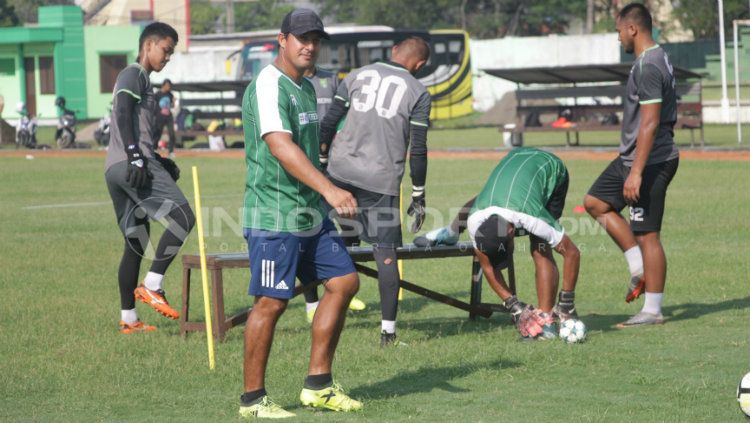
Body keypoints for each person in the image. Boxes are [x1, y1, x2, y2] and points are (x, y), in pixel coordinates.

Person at [239, 9, 362, 419]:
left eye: (316, 40)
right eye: (302, 38)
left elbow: (309, 152)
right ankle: (253, 401)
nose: (310, 46)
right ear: (283, 39)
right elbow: (280, 146)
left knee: (344, 282)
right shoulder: (268, 84)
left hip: (308, 213)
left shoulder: (305, 87)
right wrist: (329, 188)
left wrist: (327, 188)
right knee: (271, 304)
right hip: (274, 214)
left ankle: (318, 386)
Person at [319, 36, 431, 347]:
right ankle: (388, 333)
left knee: (337, 239)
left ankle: (318, 308)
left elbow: (328, 123)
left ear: (394, 51)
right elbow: (418, 149)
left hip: (340, 172)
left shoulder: (356, 74)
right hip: (380, 182)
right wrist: (418, 195)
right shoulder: (418, 91)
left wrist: (324, 165)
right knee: (385, 254)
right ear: (419, 65)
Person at [584, 3, 679, 328]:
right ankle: (638, 267)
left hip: (650, 160)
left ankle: (652, 310)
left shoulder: (649, 65)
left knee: (648, 233)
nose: (618, 37)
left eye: (618, 31)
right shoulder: (653, 58)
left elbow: (650, 123)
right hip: (631, 158)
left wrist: (637, 172)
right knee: (595, 203)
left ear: (632, 29)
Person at [104, 22, 193, 334]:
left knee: (135, 242)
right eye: (165, 50)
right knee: (184, 217)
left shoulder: (145, 82)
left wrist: (158, 160)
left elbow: (137, 127)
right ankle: (153, 284)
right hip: (130, 163)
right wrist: (137, 155)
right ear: (148, 45)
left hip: (115, 169)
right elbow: (123, 112)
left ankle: (129, 320)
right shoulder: (134, 73)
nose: (167, 57)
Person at [440, 148, 581, 339]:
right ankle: (450, 231)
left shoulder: (533, 218)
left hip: (549, 167)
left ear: (511, 231)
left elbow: (572, 252)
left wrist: (566, 301)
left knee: (540, 248)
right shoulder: (475, 223)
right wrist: (514, 306)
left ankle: (546, 319)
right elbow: (488, 267)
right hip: (515, 159)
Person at [301, 65, 367, 322]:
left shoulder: (330, 78)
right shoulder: (287, 83)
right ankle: (312, 304)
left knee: (351, 223)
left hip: (335, 162)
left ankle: (342, 289)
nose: (309, 49)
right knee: (309, 229)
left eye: (314, 42)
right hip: (305, 164)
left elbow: (344, 114)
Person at [153, 78, 177, 157]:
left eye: (169, 86)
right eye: (167, 86)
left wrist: (173, 102)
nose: (169, 88)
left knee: (171, 134)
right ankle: (154, 148)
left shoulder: (170, 94)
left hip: (168, 116)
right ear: (163, 86)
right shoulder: (157, 94)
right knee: (158, 134)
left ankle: (171, 151)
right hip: (160, 117)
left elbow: (172, 106)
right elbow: (153, 104)